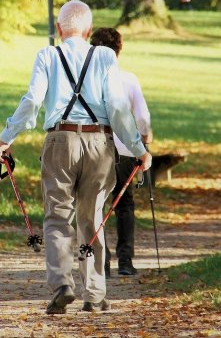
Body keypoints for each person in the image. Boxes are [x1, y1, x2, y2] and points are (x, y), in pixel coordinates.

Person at [0, 0, 152, 315]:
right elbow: (118, 108)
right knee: (91, 218)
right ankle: (94, 294)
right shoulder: (105, 56)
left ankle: (62, 285)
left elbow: (32, 101)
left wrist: (6, 138)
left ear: (58, 28)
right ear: (89, 30)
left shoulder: (47, 55)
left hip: (60, 141)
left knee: (57, 216)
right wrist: (139, 149)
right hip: (99, 143)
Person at [88, 27, 152, 277]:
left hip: (96, 148)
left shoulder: (87, 81)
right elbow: (142, 116)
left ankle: (101, 262)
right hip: (125, 149)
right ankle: (125, 261)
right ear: (119, 51)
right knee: (124, 204)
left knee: (97, 204)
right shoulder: (128, 79)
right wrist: (144, 138)